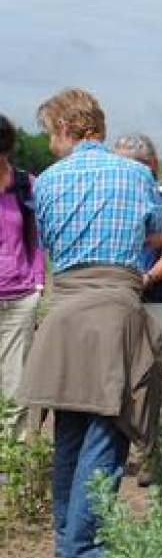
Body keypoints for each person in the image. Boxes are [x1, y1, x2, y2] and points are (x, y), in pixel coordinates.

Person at [16, 88, 162, 558]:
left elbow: (48, 240)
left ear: (64, 128)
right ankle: (83, 546)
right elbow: (155, 232)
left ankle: (68, 535)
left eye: (49, 134)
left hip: (63, 310)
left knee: (70, 432)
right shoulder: (137, 174)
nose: (49, 144)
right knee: (109, 424)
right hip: (113, 308)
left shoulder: (47, 183)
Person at [112, 133, 162, 487]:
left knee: (152, 373)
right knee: (117, 374)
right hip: (116, 298)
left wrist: (144, 278)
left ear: (149, 166)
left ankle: (150, 452)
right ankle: (115, 449)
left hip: (152, 298)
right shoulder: (111, 203)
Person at [0, 113, 45, 440]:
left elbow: (39, 237)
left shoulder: (25, 183)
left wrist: (38, 281)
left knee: (15, 383)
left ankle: (9, 457)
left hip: (20, 296)